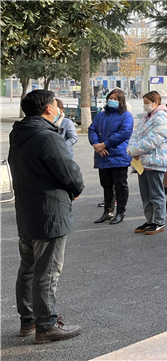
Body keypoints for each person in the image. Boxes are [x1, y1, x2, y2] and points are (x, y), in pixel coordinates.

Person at [10, 90, 85, 344]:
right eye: (55, 104)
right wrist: (75, 190)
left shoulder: (19, 134)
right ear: (49, 109)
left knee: (28, 269)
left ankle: (28, 321)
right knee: (48, 271)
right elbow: (69, 172)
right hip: (49, 212)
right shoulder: (47, 136)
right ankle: (46, 325)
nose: (57, 108)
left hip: (27, 212)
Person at [127, 91, 167, 235]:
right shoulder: (146, 117)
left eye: (147, 102)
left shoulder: (162, 116)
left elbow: (155, 139)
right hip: (142, 161)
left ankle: (159, 221)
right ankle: (150, 220)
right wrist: (131, 149)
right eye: (144, 102)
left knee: (156, 193)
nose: (145, 105)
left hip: (155, 160)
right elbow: (136, 134)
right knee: (145, 194)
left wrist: (134, 150)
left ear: (156, 102)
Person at [89, 89, 133, 225]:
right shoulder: (101, 115)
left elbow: (124, 133)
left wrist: (105, 144)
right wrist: (97, 144)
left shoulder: (126, 116)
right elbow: (92, 129)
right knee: (106, 185)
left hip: (118, 155)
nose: (112, 100)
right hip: (102, 156)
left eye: (116, 98)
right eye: (110, 97)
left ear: (121, 101)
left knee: (120, 185)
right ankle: (107, 211)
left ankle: (120, 212)